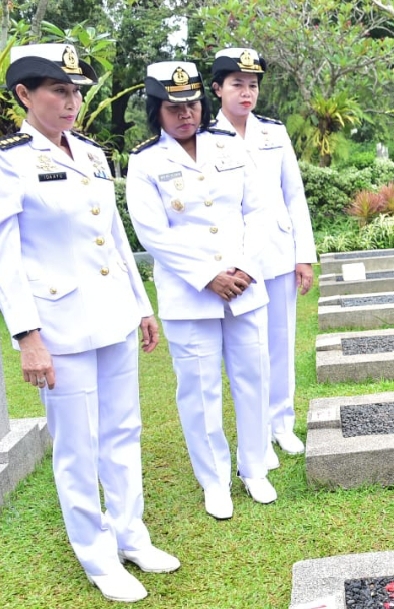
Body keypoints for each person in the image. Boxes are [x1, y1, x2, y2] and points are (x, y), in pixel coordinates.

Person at [0, 44, 179, 603]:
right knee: (77, 446)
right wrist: (27, 336)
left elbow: (116, 236)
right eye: (58, 90)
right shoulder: (10, 159)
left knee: (123, 431)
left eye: (75, 91)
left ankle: (130, 535)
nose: (71, 101)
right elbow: (6, 255)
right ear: (24, 94)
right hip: (60, 325)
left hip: (114, 314)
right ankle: (96, 555)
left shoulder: (92, 153)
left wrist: (141, 305)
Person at [125, 61, 275, 520]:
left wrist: (244, 267)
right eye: (173, 107)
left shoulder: (229, 144)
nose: (185, 114)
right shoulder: (145, 161)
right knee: (199, 390)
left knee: (254, 379)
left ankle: (255, 468)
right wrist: (209, 275)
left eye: (191, 104)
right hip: (190, 295)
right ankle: (214, 479)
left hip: (244, 287)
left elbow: (259, 211)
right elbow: (153, 233)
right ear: (156, 110)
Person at [210, 47, 317, 468]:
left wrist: (303, 255)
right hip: (237, 263)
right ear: (217, 88)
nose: (246, 92)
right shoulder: (205, 138)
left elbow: (294, 195)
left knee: (281, 342)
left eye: (252, 85)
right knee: (248, 352)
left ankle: (282, 423)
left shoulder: (274, 132)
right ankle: (256, 432)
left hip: (278, 250)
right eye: (237, 84)